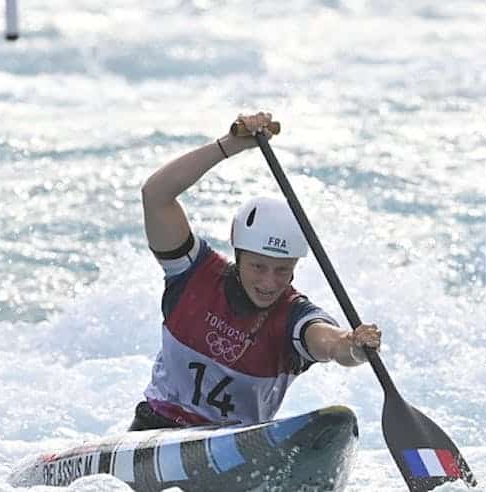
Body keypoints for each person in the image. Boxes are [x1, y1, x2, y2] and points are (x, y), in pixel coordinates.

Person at [131, 111, 382, 431]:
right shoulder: (194, 275)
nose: (268, 282)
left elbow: (332, 345)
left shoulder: (295, 318)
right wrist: (229, 145)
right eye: (258, 266)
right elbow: (155, 195)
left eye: (282, 270)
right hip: (155, 428)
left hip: (237, 448)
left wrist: (353, 345)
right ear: (238, 253)